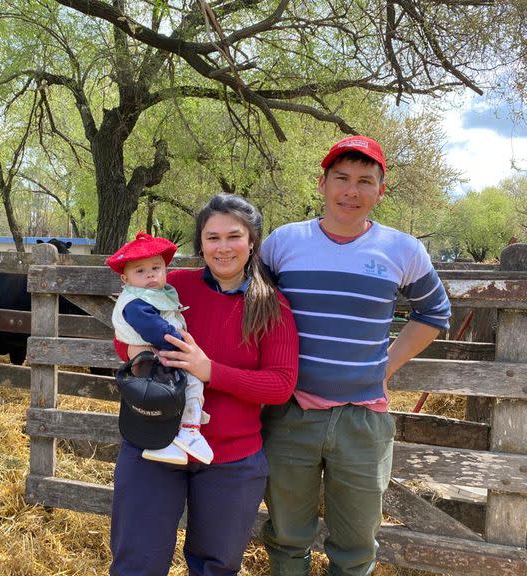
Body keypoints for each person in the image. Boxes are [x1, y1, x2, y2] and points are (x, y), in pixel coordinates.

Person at [259, 135, 452, 576]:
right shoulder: (282, 243)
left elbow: (435, 311)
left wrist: (386, 365)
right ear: (321, 183)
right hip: (291, 414)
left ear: (381, 190)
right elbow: (254, 308)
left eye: (366, 181)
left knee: (357, 545)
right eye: (341, 178)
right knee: (287, 536)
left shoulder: (403, 249)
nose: (352, 190)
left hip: (363, 420)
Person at [109, 194, 299, 576]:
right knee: (137, 562)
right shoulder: (173, 287)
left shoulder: (271, 307)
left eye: (234, 236)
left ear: (252, 242)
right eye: (212, 238)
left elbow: (280, 385)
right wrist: (145, 347)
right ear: (201, 243)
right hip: (153, 442)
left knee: (216, 566)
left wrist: (209, 369)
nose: (223, 247)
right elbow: (122, 338)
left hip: (231, 456)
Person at [106, 232, 214, 465]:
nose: (150, 275)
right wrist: (180, 344)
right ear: (125, 279)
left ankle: (167, 442)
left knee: (167, 399)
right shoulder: (135, 303)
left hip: (159, 357)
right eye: (140, 271)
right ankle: (189, 430)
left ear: (166, 269)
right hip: (159, 357)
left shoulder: (153, 296)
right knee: (186, 386)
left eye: (156, 268)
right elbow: (155, 329)